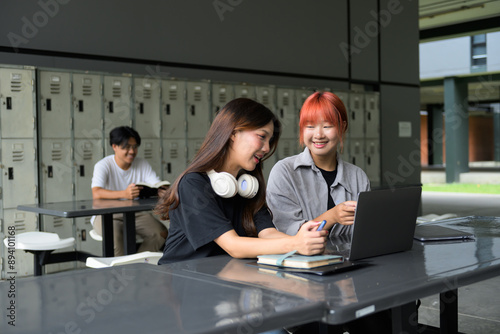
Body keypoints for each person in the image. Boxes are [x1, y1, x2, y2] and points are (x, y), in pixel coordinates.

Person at [155, 98, 327, 265]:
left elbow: (268, 233)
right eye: (261, 136)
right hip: (184, 280)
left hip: (223, 278)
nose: (267, 148)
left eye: (269, 141)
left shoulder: (247, 186)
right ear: (233, 133)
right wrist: (294, 244)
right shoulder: (193, 184)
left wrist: (304, 241)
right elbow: (233, 246)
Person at [267, 91, 370, 238]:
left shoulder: (358, 176)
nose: (318, 135)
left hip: (352, 259)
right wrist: (332, 216)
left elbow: (366, 231)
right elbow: (288, 234)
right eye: (310, 126)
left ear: (342, 127)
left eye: (327, 126)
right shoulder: (284, 172)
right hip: (301, 260)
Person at [91, 126, 168, 256]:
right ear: (114, 146)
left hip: (134, 213)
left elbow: (156, 183)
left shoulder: (142, 164)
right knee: (115, 241)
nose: (132, 151)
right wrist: (124, 194)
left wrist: (162, 191)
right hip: (106, 215)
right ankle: (121, 274)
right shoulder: (103, 165)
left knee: (161, 233)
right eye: (126, 147)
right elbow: (96, 193)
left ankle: (138, 264)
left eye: (135, 147)